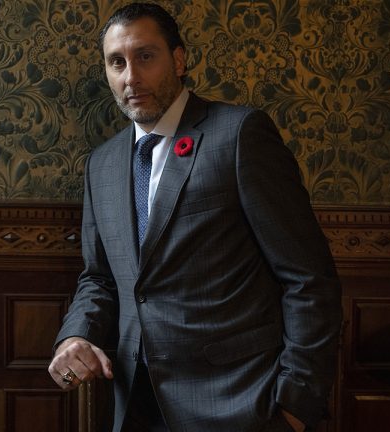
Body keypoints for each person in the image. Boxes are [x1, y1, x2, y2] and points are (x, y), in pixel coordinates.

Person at [48, 3, 342, 431]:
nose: (131, 77)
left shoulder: (239, 135)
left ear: (179, 60)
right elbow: (100, 278)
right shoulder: (102, 163)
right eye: (117, 63)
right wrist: (75, 336)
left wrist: (296, 406)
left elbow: (309, 278)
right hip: (136, 403)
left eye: (145, 57)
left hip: (240, 404)